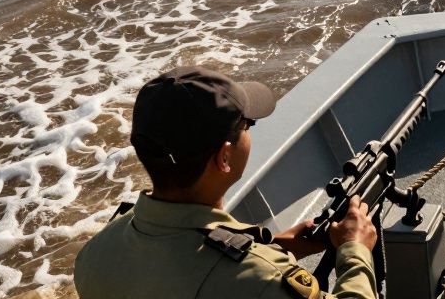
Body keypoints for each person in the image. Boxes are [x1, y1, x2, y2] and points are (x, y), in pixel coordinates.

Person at [74, 66, 379, 299]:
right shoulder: (263, 282)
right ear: (224, 156)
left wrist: (273, 247)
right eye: (248, 126)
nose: (249, 134)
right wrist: (355, 249)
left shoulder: (95, 254)